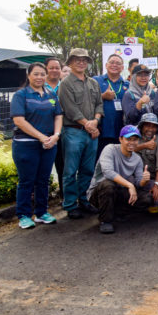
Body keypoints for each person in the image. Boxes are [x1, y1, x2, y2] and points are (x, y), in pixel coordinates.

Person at [10, 63, 63, 229]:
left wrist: (56, 135)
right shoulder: (21, 95)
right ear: (28, 75)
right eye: (36, 74)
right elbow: (19, 120)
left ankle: (41, 212)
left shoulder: (51, 95)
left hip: (48, 144)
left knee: (43, 180)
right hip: (26, 145)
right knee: (27, 181)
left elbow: (58, 116)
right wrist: (41, 137)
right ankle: (24, 215)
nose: (40, 77)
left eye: (42, 74)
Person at [58, 48, 103, 219]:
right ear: (70, 62)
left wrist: (96, 121)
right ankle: (70, 204)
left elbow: (99, 104)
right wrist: (88, 125)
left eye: (84, 59)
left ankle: (85, 200)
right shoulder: (66, 84)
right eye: (77, 59)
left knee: (88, 169)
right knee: (70, 170)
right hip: (73, 132)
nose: (81, 62)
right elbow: (70, 109)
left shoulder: (93, 83)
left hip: (91, 133)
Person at [87, 125, 154, 234]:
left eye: (135, 139)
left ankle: (118, 211)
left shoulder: (137, 159)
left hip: (119, 191)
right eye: (128, 139)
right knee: (108, 185)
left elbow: (138, 183)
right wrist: (130, 185)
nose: (132, 142)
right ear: (120, 139)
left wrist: (144, 180)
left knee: (147, 198)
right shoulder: (110, 149)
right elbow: (108, 172)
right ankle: (105, 221)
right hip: (99, 193)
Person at [94, 54, 129, 159]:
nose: (114, 65)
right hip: (100, 130)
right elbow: (86, 99)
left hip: (120, 131)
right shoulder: (96, 81)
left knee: (117, 163)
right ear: (106, 65)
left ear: (122, 67)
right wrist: (103, 96)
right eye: (112, 62)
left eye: (118, 63)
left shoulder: (127, 84)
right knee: (99, 163)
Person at [135, 113, 158, 213]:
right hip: (132, 178)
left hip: (150, 179)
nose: (151, 129)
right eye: (147, 125)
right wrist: (144, 145)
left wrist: (156, 185)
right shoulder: (134, 137)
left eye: (154, 126)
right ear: (142, 126)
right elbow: (126, 150)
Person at [44, 57, 65, 195]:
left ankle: (64, 195)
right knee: (43, 167)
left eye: (57, 68)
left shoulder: (65, 85)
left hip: (62, 132)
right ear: (46, 69)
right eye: (51, 67)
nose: (54, 70)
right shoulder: (39, 86)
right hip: (43, 131)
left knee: (62, 165)